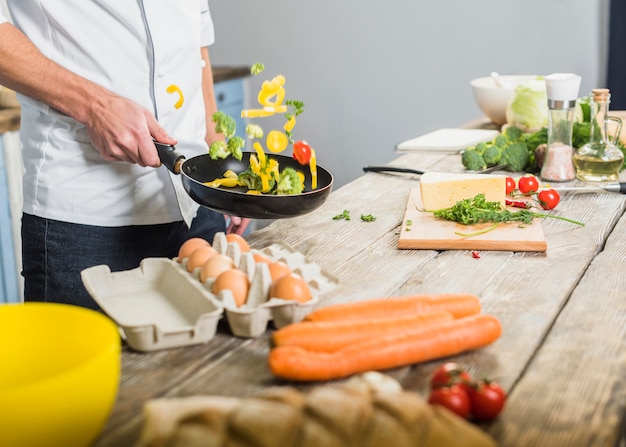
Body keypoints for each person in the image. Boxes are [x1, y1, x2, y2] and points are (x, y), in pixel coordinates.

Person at [0, 1, 248, 310]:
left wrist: (220, 162)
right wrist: (94, 105)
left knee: (220, 358)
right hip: (85, 220)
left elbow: (195, 43)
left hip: (197, 203)